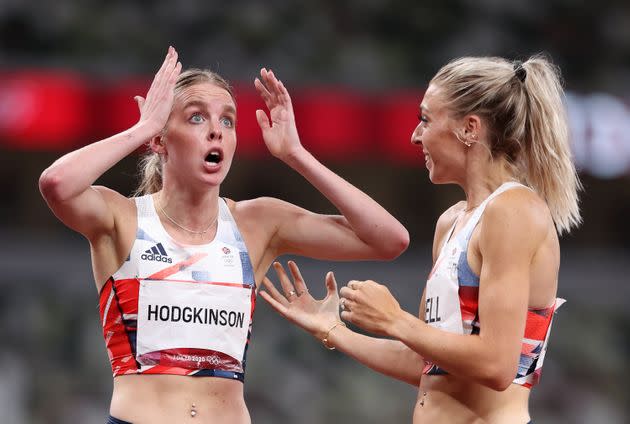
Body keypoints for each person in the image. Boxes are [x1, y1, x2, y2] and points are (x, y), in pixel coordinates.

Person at [38, 46, 409, 424]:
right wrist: (142, 128)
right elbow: (56, 184)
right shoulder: (122, 218)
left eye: (227, 121)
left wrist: (297, 154)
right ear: (161, 140)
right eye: (196, 117)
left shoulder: (257, 222)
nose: (216, 129)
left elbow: (388, 239)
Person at [261, 55, 582, 423]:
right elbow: (427, 364)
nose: (415, 135)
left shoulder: (514, 211)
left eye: (426, 119)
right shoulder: (451, 223)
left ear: (470, 128)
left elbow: (497, 365)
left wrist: (395, 319)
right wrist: (335, 331)